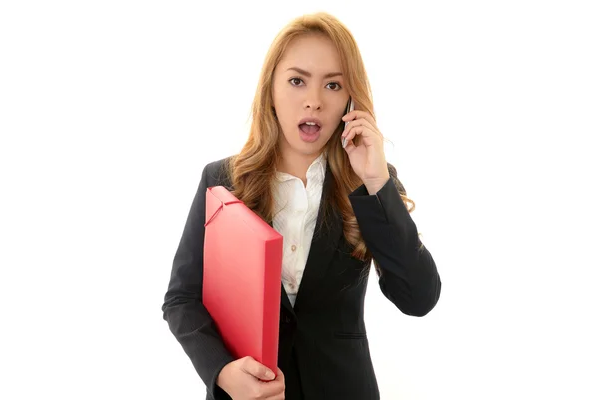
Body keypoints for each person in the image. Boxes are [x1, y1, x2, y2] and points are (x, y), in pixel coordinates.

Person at [161, 11, 441, 400]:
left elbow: (419, 297)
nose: (313, 101)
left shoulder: (372, 182)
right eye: (297, 81)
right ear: (271, 91)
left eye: (332, 85)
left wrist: (377, 183)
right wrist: (222, 371)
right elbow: (182, 299)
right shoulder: (221, 181)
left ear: (350, 99)